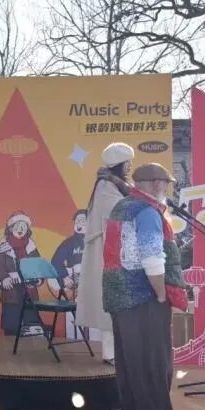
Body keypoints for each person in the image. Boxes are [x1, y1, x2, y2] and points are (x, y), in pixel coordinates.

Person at [102, 163, 191, 410]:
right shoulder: (148, 212)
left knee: (130, 362)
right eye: (165, 183)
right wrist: (161, 293)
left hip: (119, 297)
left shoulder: (122, 207)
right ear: (155, 184)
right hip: (143, 296)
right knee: (154, 363)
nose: (166, 189)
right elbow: (152, 257)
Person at [76, 142, 134, 362]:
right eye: (127, 162)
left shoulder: (116, 184)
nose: (130, 166)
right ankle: (110, 353)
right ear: (119, 164)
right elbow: (118, 211)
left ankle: (120, 351)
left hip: (117, 249)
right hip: (106, 250)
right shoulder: (105, 186)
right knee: (109, 300)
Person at [0, 211, 42, 336]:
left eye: (24, 226)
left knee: (31, 325)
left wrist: (38, 279)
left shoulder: (31, 247)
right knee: (11, 327)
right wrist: (4, 278)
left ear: (28, 230)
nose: (20, 229)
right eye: (17, 226)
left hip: (29, 293)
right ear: (10, 228)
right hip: (11, 293)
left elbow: (38, 265)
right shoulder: (3, 246)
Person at [50, 210, 88, 340]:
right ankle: (74, 341)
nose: (80, 223)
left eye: (83, 220)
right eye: (77, 221)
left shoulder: (96, 241)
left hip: (92, 286)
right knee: (73, 319)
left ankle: (93, 343)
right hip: (74, 290)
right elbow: (55, 261)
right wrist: (64, 277)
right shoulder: (69, 243)